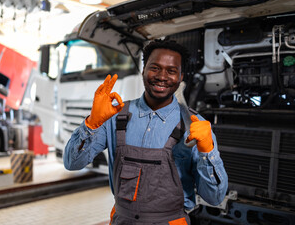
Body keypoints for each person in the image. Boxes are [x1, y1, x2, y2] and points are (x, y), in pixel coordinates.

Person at [64, 39, 228, 225]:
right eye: (155, 68)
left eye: (171, 71)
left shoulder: (195, 125)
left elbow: (214, 198)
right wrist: (91, 124)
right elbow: (72, 163)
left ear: (181, 77)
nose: (162, 76)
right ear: (143, 70)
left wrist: (208, 151)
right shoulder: (115, 116)